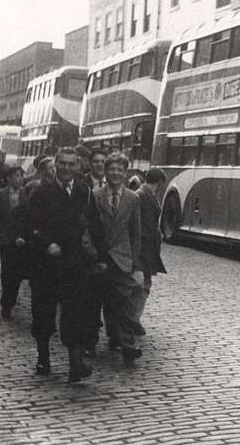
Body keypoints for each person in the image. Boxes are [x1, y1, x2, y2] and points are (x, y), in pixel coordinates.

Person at [26, 147, 99, 382]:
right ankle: (43, 357)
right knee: (44, 310)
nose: (67, 168)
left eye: (72, 164)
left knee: (74, 312)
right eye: (63, 164)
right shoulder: (42, 192)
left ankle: (75, 364)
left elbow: (94, 224)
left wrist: (99, 256)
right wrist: (47, 244)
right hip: (46, 263)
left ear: (78, 166)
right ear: (56, 165)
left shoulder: (83, 191)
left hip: (74, 263)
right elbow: (31, 226)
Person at [87, 152, 145, 367]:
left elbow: (135, 232)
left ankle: (128, 346)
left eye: (120, 170)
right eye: (111, 169)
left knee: (123, 303)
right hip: (99, 257)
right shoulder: (94, 195)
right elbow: (90, 228)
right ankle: (89, 343)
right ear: (106, 171)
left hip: (122, 259)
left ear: (125, 172)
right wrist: (93, 254)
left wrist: (136, 263)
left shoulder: (132, 198)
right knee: (94, 302)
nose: (115, 173)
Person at [0, 166, 29, 319]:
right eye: (16, 176)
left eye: (21, 176)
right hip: (5, 240)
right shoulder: (0, 195)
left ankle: (11, 298)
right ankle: (6, 303)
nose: (20, 178)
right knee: (7, 271)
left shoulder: (27, 195)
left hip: (21, 241)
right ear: (9, 178)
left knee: (17, 273)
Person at [133, 167, 168, 336]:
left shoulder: (149, 194)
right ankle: (132, 319)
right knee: (140, 284)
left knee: (145, 284)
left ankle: (135, 319)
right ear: (159, 182)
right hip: (142, 245)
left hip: (149, 246)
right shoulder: (141, 195)